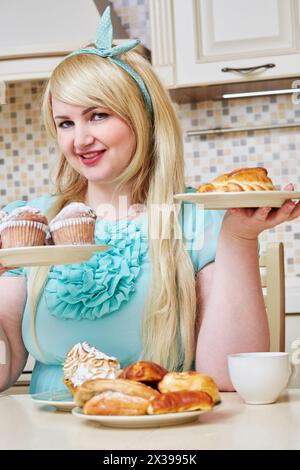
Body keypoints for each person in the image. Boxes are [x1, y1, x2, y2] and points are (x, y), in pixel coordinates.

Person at [0, 7, 299, 394]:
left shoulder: (198, 220)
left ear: (143, 118)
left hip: (162, 426)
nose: (79, 140)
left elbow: (226, 379)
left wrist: (239, 239)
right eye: (66, 123)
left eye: (98, 115)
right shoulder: (32, 225)